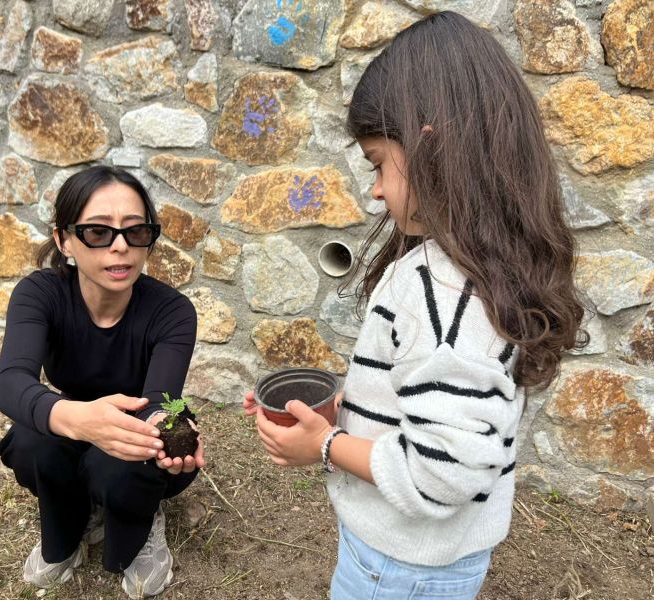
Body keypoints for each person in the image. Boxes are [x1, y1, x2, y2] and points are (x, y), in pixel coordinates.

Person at [243, 11, 587, 600]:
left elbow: (442, 472)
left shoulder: (440, 291)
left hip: (400, 568)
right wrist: (348, 409)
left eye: (379, 162)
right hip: (432, 561)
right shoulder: (490, 269)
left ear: (433, 147)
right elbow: (446, 403)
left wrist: (323, 446)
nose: (376, 189)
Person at [0, 165, 204, 598]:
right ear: (64, 240)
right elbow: (12, 381)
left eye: (136, 231)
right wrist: (78, 419)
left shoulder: (172, 311)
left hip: (137, 423)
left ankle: (139, 521)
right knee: (30, 440)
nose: (121, 246)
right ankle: (69, 524)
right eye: (98, 232)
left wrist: (167, 430)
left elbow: (159, 399)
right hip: (72, 412)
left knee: (128, 459)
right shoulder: (40, 294)